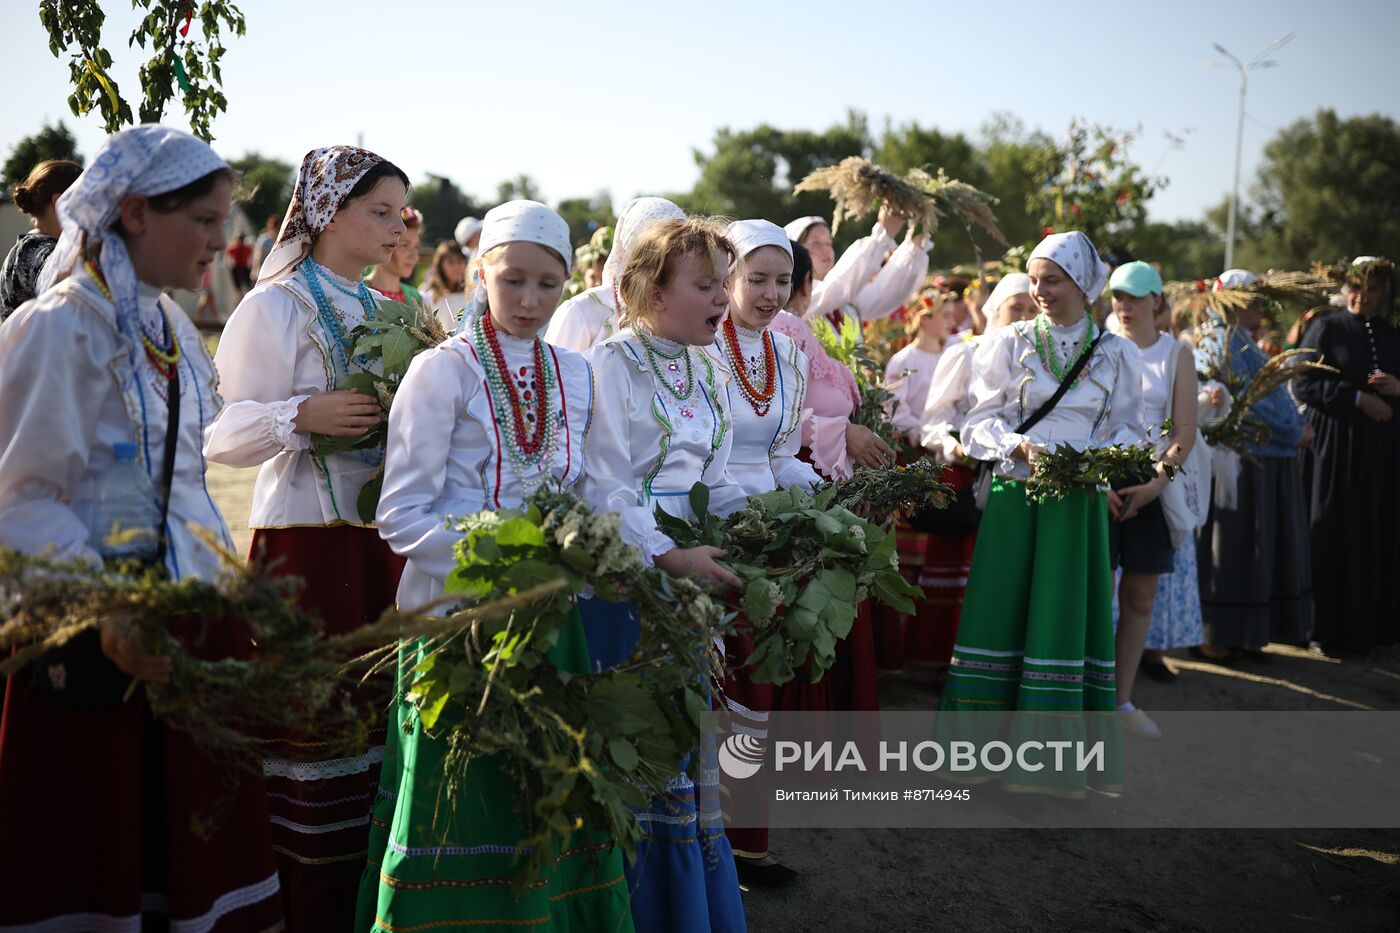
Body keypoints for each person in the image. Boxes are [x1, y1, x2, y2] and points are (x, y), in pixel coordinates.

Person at [0, 125, 284, 931]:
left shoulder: (171, 333)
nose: (218, 242)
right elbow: (22, 497)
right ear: (132, 213)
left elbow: (182, 483)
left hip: (183, 630)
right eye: (201, 220)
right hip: (95, 644)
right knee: (103, 864)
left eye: (223, 220)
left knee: (188, 868)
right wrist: (106, 615)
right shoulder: (60, 329)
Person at [360, 201, 632, 930]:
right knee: (460, 800)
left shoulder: (576, 373)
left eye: (549, 284)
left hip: (552, 619)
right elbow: (402, 514)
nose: (531, 300)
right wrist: (511, 548)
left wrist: (612, 543)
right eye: (513, 280)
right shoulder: (440, 370)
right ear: (481, 271)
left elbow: (602, 485)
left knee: (545, 796)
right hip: (459, 620)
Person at [203, 145, 410, 932]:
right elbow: (219, 434)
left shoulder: (385, 307)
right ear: (327, 211)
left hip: (377, 546)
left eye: (399, 214)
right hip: (303, 550)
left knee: (373, 726)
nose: (395, 229)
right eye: (380, 211)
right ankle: (300, 908)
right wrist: (300, 416)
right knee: (313, 730)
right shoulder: (275, 305)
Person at [581, 216, 747, 933]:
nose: (723, 299)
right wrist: (666, 554)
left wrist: (774, 521)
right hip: (631, 579)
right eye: (707, 285)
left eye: (724, 285)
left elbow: (720, 476)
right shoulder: (610, 364)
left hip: (693, 575)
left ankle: (686, 911)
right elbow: (603, 484)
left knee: (685, 742)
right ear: (652, 290)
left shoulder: (707, 364)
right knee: (639, 746)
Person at [938, 231, 1144, 798]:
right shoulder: (1008, 342)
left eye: (1050, 280)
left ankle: (1050, 769)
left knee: (1058, 619)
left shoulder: (1117, 352)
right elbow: (977, 422)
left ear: (1082, 283)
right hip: (1014, 496)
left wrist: (1093, 461)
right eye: (1034, 280)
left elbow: (1129, 431)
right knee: (1001, 613)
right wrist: (1016, 446)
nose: (1039, 291)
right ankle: (978, 760)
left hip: (1075, 507)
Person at [704, 219, 818, 889]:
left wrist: (820, 494)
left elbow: (779, 454)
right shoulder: (699, 348)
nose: (773, 294)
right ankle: (700, 840)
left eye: (784, 280)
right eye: (758, 279)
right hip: (710, 529)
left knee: (755, 688)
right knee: (714, 685)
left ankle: (744, 842)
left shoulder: (791, 356)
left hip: (767, 538)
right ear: (726, 277)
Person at [907, 274, 1036, 672]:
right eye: (1016, 308)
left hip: (1022, 482)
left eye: (1032, 309)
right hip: (970, 480)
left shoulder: (1039, 360)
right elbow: (934, 421)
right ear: (993, 310)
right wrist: (958, 445)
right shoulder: (967, 352)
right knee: (965, 577)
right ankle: (947, 667)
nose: (1025, 317)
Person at [1194, 269, 1313, 661]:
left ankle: (1244, 632)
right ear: (1237, 303)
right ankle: (1217, 633)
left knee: (1248, 550)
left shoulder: (1237, 340)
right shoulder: (1222, 341)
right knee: (1232, 547)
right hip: (1242, 459)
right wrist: (1291, 431)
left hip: (1262, 456)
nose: (1260, 310)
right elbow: (1248, 403)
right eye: (1254, 301)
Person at [1102, 262, 1199, 739]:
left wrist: (1154, 486)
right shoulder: (1099, 346)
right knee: (1093, 594)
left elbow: (1185, 432)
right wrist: (1099, 484)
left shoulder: (1177, 353)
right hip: (1096, 479)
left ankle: (1120, 701)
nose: (1124, 304)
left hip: (1152, 483)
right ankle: (1077, 695)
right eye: (1118, 295)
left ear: (1157, 301)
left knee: (1139, 597)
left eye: (1135, 296)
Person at [1295, 256, 1400, 655]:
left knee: (1378, 532)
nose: (1362, 297)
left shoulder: (1391, 333)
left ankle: (1375, 628)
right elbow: (1304, 383)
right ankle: (1329, 630)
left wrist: (1396, 388)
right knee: (1335, 531)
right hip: (1336, 450)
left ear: (1384, 292)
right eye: (1356, 287)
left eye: (1371, 289)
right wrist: (1357, 399)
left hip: (1383, 455)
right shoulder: (1325, 328)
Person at [545, 196, 685, 352]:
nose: (668, 260)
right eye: (656, 249)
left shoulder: (685, 314)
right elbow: (557, 373)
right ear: (632, 249)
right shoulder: (583, 312)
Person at [784, 207, 924, 326]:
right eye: (816, 244)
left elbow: (886, 294)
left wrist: (915, 242)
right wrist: (882, 235)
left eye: (828, 243)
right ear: (796, 251)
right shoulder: (793, 298)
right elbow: (837, 288)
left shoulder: (846, 299)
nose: (826, 250)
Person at [0, 158, 81, 321]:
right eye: (85, 200)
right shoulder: (34, 250)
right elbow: (64, 280)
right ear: (60, 203)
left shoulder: (32, 247)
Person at [885, 290, 957, 445]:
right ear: (924, 319)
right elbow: (896, 411)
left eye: (952, 315)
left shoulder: (950, 356)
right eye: (946, 316)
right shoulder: (903, 361)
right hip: (918, 449)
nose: (953, 322)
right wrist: (929, 436)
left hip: (950, 442)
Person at [365, 205, 425, 307]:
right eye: (405, 245)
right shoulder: (358, 291)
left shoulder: (415, 298)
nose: (414, 256)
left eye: (416, 247)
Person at [418, 239, 468, 330]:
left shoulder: (470, 293)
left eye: (459, 261)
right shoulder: (429, 295)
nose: (456, 267)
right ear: (440, 265)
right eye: (451, 262)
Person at [227, 229, 254, 299]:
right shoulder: (247, 248)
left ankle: (241, 299)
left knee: (238, 287)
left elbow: (229, 254)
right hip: (244, 268)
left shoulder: (234, 248)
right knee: (248, 285)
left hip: (237, 268)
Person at [252, 212, 279, 277]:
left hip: (268, 271)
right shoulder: (265, 239)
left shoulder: (264, 238)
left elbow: (259, 256)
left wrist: (255, 270)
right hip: (270, 271)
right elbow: (260, 256)